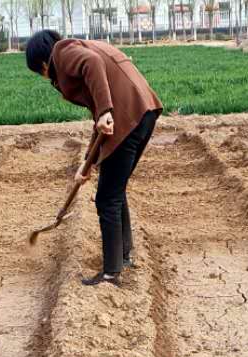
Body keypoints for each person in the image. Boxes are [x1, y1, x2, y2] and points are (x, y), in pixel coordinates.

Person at [25, 30, 162, 287]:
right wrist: (87, 162)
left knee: (107, 199)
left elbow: (93, 64)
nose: (45, 77)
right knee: (115, 191)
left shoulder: (63, 52)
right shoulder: (79, 47)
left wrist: (106, 111)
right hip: (142, 112)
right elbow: (98, 116)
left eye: (39, 72)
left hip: (128, 116)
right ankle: (123, 256)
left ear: (43, 64)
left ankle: (111, 273)